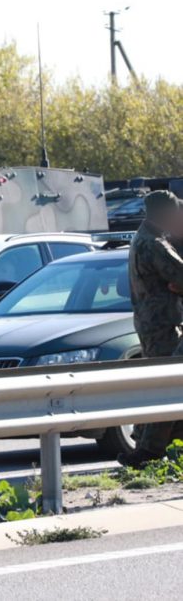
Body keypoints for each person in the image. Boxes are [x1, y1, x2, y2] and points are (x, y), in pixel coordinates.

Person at [118, 190, 183, 468]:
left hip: (152, 322)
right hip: (163, 324)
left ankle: (149, 444)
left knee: (165, 386)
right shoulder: (155, 244)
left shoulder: (143, 238)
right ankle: (148, 450)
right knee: (168, 388)